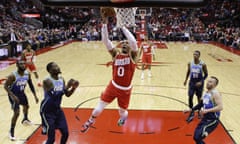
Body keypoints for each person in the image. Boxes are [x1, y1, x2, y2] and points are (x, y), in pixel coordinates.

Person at [80, 16, 138, 133]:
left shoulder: (133, 56)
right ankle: (90, 121)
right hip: (113, 86)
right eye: (123, 43)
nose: (125, 44)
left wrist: (123, 28)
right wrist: (105, 25)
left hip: (125, 90)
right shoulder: (115, 54)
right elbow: (105, 41)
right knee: (98, 108)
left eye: (127, 43)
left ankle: (122, 119)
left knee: (122, 112)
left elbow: (133, 42)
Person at [40, 62, 79, 144]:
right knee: (51, 139)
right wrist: (67, 86)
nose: (57, 68)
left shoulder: (61, 79)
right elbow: (54, 96)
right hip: (47, 111)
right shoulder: (47, 81)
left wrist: (73, 88)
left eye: (57, 66)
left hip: (57, 110)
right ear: (50, 70)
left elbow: (67, 94)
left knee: (65, 133)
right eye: (55, 67)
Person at [4, 60, 39, 141]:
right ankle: (11, 131)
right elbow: (5, 86)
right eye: (21, 64)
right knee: (16, 113)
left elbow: (30, 84)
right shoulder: (13, 75)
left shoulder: (27, 74)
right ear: (17, 65)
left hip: (21, 93)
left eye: (24, 63)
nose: (23, 65)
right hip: (13, 95)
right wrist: (13, 96)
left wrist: (35, 95)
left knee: (26, 106)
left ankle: (25, 119)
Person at [185, 76, 223, 144]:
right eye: (208, 81)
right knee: (196, 137)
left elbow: (220, 107)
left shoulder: (215, 93)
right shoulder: (206, 93)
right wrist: (191, 109)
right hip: (205, 119)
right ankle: (205, 133)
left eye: (210, 82)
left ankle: (205, 133)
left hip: (212, 120)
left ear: (215, 85)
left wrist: (207, 111)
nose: (208, 83)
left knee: (198, 136)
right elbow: (201, 104)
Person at [184, 50, 208, 118]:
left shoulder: (203, 64)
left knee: (199, 97)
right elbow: (188, 71)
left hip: (199, 83)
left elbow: (206, 74)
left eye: (196, 55)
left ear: (199, 56)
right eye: (194, 54)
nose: (195, 56)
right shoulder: (190, 63)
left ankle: (199, 111)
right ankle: (191, 111)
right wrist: (185, 80)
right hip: (192, 82)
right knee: (190, 96)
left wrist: (201, 81)